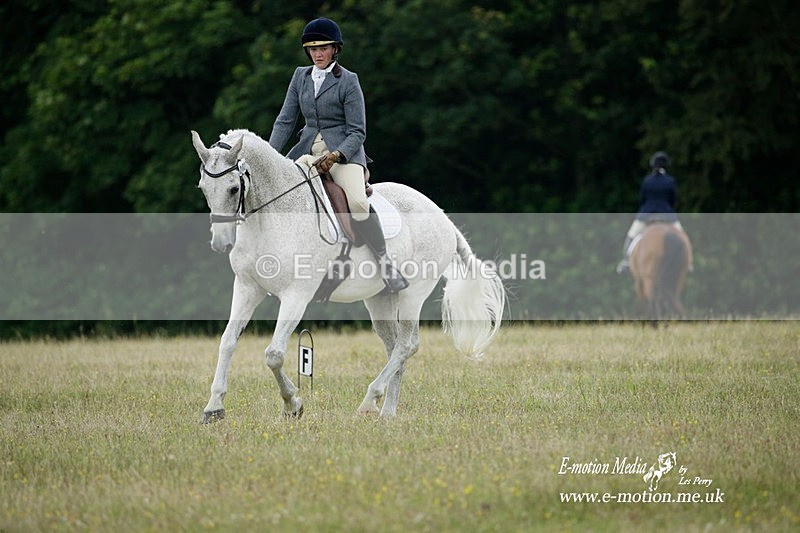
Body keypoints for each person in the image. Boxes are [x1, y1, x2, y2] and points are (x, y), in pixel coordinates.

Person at [268, 17, 408, 293]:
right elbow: (285, 121)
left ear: (335, 49)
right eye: (313, 49)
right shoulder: (300, 76)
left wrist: (336, 155)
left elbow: (358, 131)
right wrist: (270, 156)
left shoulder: (348, 81)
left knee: (357, 202)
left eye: (323, 48)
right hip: (307, 151)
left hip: (343, 153)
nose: (317, 54)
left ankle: (385, 263)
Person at [616, 151, 687, 273]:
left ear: (653, 165)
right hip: (667, 215)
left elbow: (642, 199)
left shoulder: (647, 181)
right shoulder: (670, 181)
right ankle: (688, 263)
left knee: (631, 236)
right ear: (666, 166)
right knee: (682, 236)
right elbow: (673, 200)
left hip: (647, 215)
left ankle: (626, 262)